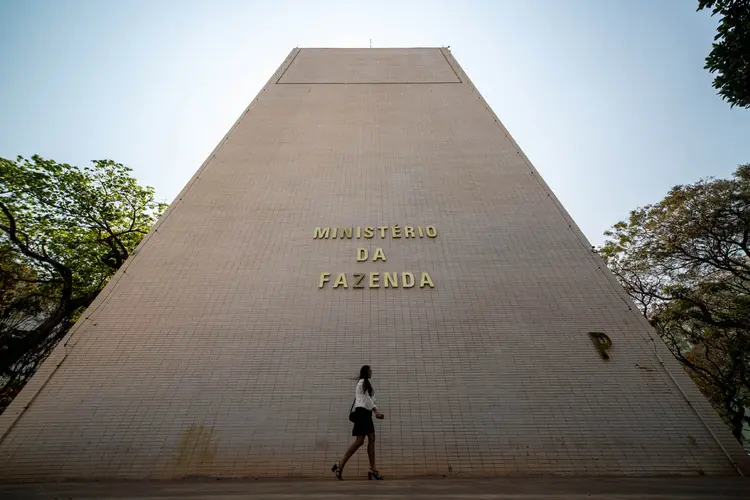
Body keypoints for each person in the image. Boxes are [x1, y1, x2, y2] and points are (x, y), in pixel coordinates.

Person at [331, 365, 385, 480]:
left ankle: (373, 469)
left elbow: (372, 399)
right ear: (366, 372)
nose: (371, 372)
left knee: (370, 438)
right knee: (360, 441)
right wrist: (376, 412)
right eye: (370, 371)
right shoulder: (361, 383)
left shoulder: (367, 385)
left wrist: (375, 410)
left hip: (366, 414)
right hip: (361, 414)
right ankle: (340, 464)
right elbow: (367, 400)